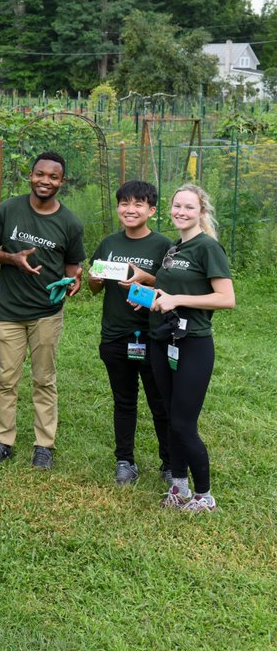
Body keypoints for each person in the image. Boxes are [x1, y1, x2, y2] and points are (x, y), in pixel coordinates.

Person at [0, 151, 84, 470]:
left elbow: (73, 265)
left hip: (47, 313)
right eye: (40, 174)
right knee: (6, 379)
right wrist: (12, 259)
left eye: (53, 177)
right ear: (31, 175)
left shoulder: (70, 223)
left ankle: (44, 445)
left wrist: (74, 279)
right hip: (9, 310)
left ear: (61, 182)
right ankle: (2, 440)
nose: (45, 181)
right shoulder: (9, 209)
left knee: (44, 379)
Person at [149, 184, 234, 511]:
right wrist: (153, 298)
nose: (181, 212)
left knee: (184, 423)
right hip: (164, 339)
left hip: (193, 344)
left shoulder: (208, 248)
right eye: (177, 206)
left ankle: (204, 496)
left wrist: (177, 299)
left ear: (201, 212)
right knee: (171, 416)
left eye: (189, 207)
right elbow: (169, 289)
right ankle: (179, 487)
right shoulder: (175, 248)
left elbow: (226, 298)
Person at [88, 180, 173, 486]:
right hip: (115, 336)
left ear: (151, 210)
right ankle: (125, 461)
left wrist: (145, 278)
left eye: (138, 204)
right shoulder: (109, 244)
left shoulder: (164, 246)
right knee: (124, 401)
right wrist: (95, 278)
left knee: (160, 403)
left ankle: (170, 463)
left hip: (153, 336)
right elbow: (94, 288)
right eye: (124, 203)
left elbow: (174, 288)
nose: (130, 209)